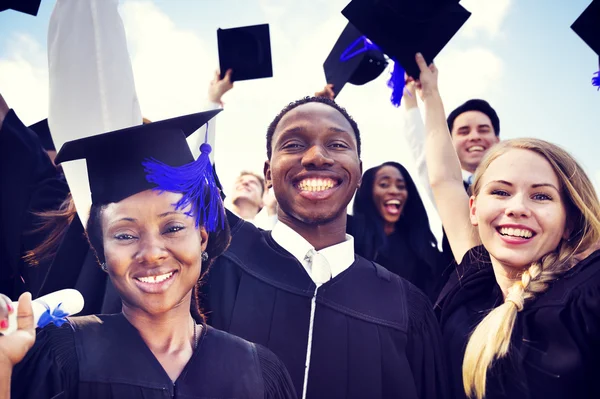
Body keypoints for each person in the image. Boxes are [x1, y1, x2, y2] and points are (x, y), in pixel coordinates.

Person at [0, 111, 296, 399]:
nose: (152, 253)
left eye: (173, 227)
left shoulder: (259, 372)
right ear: (101, 250)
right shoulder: (59, 356)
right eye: (125, 235)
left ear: (202, 238)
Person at [204, 96, 448, 399]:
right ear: (268, 173)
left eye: (337, 144)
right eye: (293, 144)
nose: (317, 156)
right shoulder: (217, 265)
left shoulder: (407, 309)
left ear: (358, 173)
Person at [416, 52, 600, 399]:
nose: (516, 208)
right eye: (500, 192)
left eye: (541, 196)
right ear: (474, 208)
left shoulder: (587, 295)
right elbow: (443, 179)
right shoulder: (475, 282)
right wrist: (429, 94)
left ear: (568, 218)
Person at [349, 161, 446, 300]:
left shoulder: (422, 251)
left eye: (401, 186)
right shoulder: (348, 234)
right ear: (367, 191)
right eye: (384, 184)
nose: (394, 191)